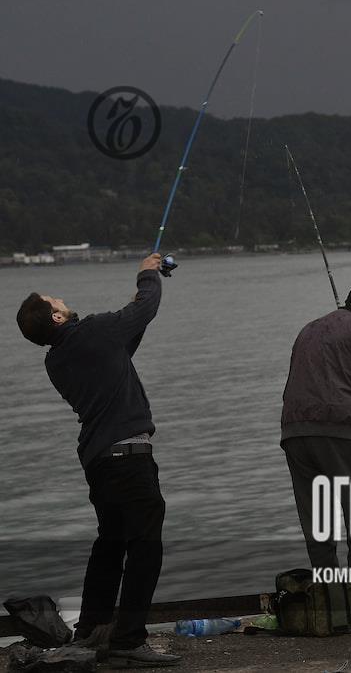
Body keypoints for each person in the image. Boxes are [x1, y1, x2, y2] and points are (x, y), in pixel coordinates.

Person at [15, 253, 181, 668]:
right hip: (128, 456)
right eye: (55, 300)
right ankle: (128, 638)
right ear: (55, 318)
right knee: (145, 546)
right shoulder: (94, 331)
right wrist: (147, 273)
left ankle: (92, 628)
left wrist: (133, 309)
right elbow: (146, 309)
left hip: (99, 461)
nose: (61, 299)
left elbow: (122, 346)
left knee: (110, 543)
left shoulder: (58, 359)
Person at [281, 279, 351, 623]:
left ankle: (331, 603)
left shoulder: (308, 329)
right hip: (338, 432)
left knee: (318, 522)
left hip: (294, 433)